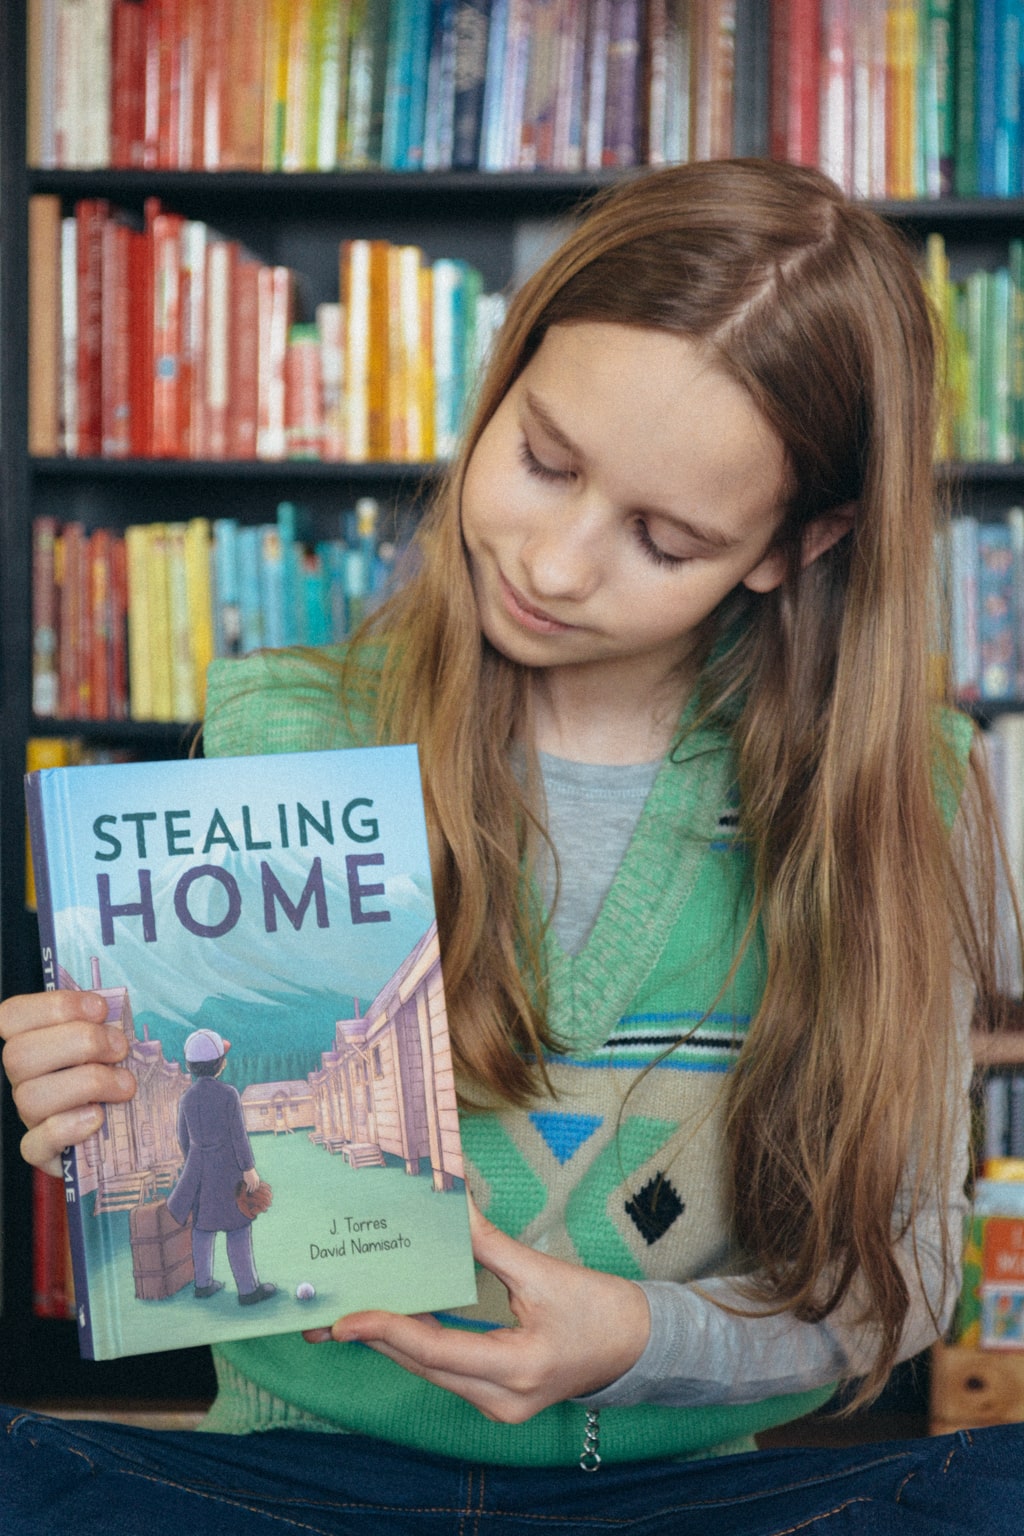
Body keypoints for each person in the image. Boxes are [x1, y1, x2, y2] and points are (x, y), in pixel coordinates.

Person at [2, 158, 1023, 1532]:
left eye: (663, 537)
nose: (552, 565)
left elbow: (899, 1281)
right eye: (543, 461)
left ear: (795, 545)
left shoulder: (900, 800)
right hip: (293, 1477)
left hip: (673, 1497)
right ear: (502, 382)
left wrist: (638, 1339)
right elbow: (217, 1200)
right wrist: (97, 1114)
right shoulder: (289, 734)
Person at [166, 1028, 276, 1307]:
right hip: (228, 1170)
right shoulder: (228, 1094)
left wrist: (195, 1160)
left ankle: (202, 1285)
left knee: (202, 1227)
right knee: (237, 1227)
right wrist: (248, 1167)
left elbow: (183, 1137)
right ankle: (248, 1290)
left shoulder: (186, 1098)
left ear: (190, 1066)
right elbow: (238, 1135)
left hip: (198, 1172)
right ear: (220, 1064)